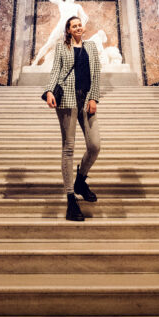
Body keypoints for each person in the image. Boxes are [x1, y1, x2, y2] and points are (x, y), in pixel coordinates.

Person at [43, 15, 101, 222]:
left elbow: (97, 73)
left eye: (79, 25)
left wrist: (94, 96)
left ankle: (81, 180)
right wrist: (50, 90)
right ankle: (70, 198)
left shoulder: (92, 47)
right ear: (68, 30)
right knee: (68, 147)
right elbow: (56, 71)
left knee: (94, 145)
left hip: (86, 99)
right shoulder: (61, 47)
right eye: (73, 26)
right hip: (66, 98)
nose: (77, 27)